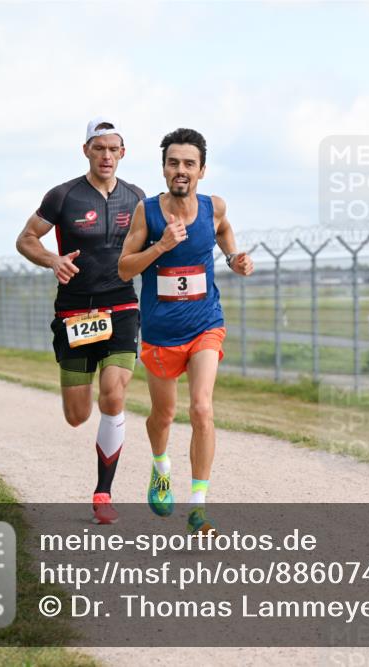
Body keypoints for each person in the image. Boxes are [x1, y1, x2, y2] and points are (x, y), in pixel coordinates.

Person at [118, 127, 253, 534]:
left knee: (202, 408)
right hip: (160, 334)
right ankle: (161, 467)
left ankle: (199, 505)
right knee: (163, 415)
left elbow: (225, 230)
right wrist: (160, 246)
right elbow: (124, 268)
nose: (181, 170)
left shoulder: (214, 208)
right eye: (174, 162)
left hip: (205, 325)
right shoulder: (148, 212)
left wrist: (232, 257)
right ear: (163, 169)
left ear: (202, 170)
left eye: (189, 164)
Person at [15, 117, 145, 525]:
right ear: (86, 151)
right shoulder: (63, 196)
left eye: (113, 148)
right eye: (98, 148)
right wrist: (53, 260)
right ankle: (82, 401)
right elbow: (26, 239)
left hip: (122, 306)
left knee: (113, 394)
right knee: (77, 415)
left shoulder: (138, 198)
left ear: (123, 153)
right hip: (74, 311)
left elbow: (152, 246)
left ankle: (103, 492)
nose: (106, 156)